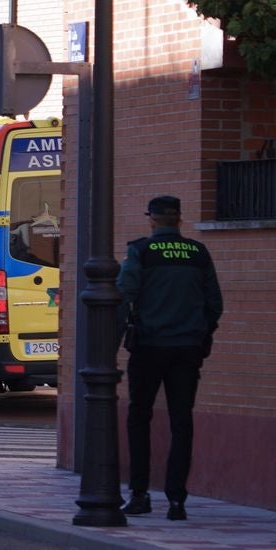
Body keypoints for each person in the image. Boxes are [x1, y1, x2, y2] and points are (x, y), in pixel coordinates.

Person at [117, 196, 223, 521]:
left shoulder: (140, 251)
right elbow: (215, 303)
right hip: (187, 348)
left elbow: (124, 293)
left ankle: (139, 494)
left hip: (149, 346)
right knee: (182, 422)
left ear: (151, 220)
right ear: (179, 219)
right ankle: (177, 501)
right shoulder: (198, 252)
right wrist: (201, 335)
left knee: (139, 417)